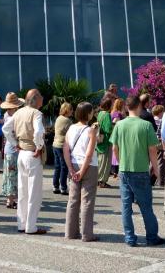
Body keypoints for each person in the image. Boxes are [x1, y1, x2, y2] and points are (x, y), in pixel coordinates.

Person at [110, 95, 165, 246]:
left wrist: (121, 162)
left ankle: (129, 238)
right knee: (146, 205)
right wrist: (156, 169)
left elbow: (114, 147)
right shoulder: (146, 125)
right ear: (139, 107)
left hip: (124, 170)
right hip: (140, 169)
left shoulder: (120, 125)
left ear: (127, 108)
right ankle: (152, 237)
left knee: (126, 206)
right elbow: (153, 150)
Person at [3, 89, 46, 235]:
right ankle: (31, 226)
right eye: (40, 96)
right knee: (34, 193)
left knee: (22, 191)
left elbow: (5, 129)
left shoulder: (18, 113)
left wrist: (15, 143)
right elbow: (39, 131)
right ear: (34, 99)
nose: (42, 98)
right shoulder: (36, 113)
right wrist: (39, 147)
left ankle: (22, 224)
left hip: (21, 153)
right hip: (32, 154)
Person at [64, 102, 99, 242]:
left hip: (73, 163)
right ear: (88, 114)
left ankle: (70, 232)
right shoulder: (91, 131)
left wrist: (71, 169)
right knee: (87, 201)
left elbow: (65, 149)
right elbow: (89, 154)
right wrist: (83, 170)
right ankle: (87, 234)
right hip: (88, 166)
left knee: (73, 200)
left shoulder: (71, 128)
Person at [0, 93, 24, 209]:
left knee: (9, 174)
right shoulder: (13, 116)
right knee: (15, 175)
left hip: (8, 148)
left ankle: (9, 200)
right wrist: (16, 143)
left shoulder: (6, 114)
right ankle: (12, 200)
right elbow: (6, 130)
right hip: (14, 148)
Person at [52, 102, 73, 195]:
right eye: (71, 110)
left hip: (55, 144)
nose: (72, 112)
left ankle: (55, 186)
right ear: (67, 110)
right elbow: (71, 133)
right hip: (62, 145)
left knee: (57, 167)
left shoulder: (58, 118)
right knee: (64, 167)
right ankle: (63, 187)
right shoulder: (68, 121)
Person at [95, 98, 114, 188]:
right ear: (109, 105)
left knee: (100, 160)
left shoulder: (100, 113)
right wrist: (114, 125)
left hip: (99, 140)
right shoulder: (107, 115)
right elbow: (108, 129)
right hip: (106, 141)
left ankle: (98, 179)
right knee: (105, 162)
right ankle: (102, 181)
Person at [152, 105, 165, 186]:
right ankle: (161, 181)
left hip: (152, 142)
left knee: (153, 160)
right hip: (160, 142)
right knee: (161, 162)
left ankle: (150, 179)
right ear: (160, 112)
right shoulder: (161, 121)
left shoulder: (152, 120)